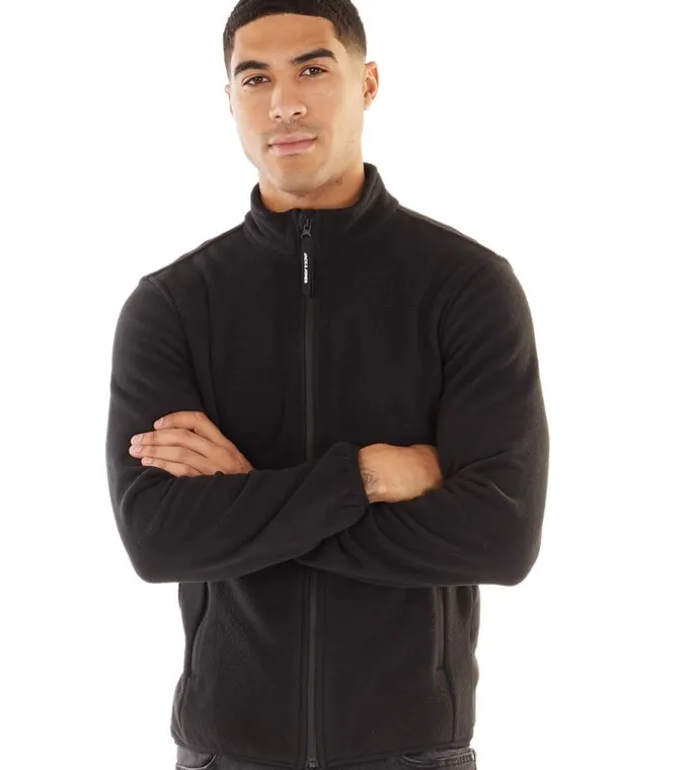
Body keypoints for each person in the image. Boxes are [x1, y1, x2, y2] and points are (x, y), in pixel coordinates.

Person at [104, 1, 550, 769]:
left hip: (412, 752)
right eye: (256, 78)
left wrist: (244, 499)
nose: (284, 103)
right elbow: (157, 538)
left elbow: (500, 537)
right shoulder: (172, 305)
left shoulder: (466, 287)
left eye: (312, 69)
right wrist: (362, 477)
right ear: (230, 99)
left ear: (367, 83)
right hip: (224, 753)